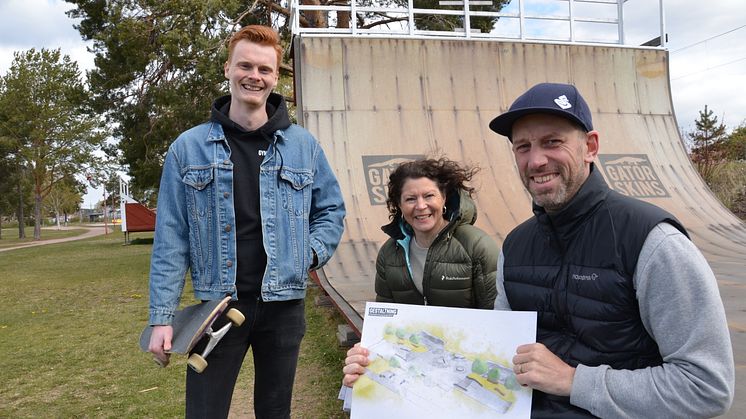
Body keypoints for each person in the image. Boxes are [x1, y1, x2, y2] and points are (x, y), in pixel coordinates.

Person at [488, 82, 734, 418]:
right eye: (522, 147)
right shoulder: (514, 247)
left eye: (552, 142)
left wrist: (574, 381)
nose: (536, 161)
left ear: (590, 147)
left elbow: (705, 387)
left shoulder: (653, 241)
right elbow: (503, 357)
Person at [146, 25, 345, 418]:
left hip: (283, 306)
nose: (255, 76)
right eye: (245, 65)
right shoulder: (188, 148)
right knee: (204, 411)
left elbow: (331, 211)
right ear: (227, 69)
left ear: (275, 78)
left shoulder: (304, 146)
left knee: (275, 411)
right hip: (218, 306)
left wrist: (307, 253)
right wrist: (161, 318)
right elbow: (171, 236)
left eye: (265, 69)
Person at [342, 157, 505, 385]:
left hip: (467, 367)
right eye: (410, 199)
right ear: (398, 205)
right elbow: (385, 321)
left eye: (429, 196)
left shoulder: (475, 246)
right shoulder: (390, 254)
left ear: (444, 198)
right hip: (415, 368)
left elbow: (498, 318)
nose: (420, 206)